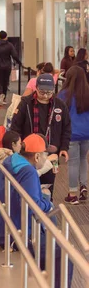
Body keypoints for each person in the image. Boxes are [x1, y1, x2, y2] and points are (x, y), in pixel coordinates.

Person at [0, 133, 84, 288]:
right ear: (36, 156)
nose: (45, 158)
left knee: (51, 237)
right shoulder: (28, 172)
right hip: (16, 235)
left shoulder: (12, 161)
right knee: (65, 251)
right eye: (44, 154)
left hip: (2, 229)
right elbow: (33, 206)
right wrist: (47, 203)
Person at [11, 73, 71, 196]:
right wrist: (18, 147)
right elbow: (15, 127)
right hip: (29, 153)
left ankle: (45, 211)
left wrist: (64, 148)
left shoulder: (60, 105)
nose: (45, 96)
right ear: (36, 88)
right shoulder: (25, 104)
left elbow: (66, 128)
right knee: (28, 186)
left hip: (51, 154)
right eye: (42, 92)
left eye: (49, 93)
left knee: (48, 187)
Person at [58, 66, 89, 204]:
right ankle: (83, 186)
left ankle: (72, 193)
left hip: (71, 134)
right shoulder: (87, 93)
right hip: (86, 133)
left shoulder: (63, 94)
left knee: (72, 163)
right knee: (83, 159)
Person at [0, 31, 22, 106]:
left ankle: (1, 94)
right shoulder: (9, 45)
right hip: (7, 66)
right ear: (6, 37)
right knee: (5, 81)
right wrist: (19, 62)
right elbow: (14, 55)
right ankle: (4, 98)